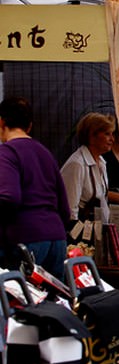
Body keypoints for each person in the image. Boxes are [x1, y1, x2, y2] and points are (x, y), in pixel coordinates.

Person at [0, 97, 70, 280]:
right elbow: (64, 206)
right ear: (29, 125)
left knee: (20, 302)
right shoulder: (45, 152)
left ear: (1, 122)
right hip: (57, 238)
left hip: (25, 238)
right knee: (54, 304)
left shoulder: (7, 152)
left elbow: (9, 197)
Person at [61, 113, 119, 226]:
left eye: (112, 134)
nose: (112, 139)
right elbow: (69, 210)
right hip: (78, 236)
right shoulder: (77, 164)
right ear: (92, 136)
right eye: (107, 134)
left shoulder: (102, 163)